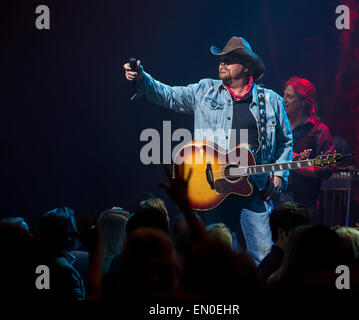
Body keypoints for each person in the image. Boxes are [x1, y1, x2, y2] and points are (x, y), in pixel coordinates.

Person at [124, 36, 293, 265]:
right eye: (221, 59)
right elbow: (169, 95)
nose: (222, 63)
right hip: (215, 188)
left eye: (229, 60)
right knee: (217, 259)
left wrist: (278, 174)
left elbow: (285, 142)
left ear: (247, 67)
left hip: (256, 189)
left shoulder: (271, 101)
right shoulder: (205, 90)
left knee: (262, 257)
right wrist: (141, 78)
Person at [281, 77, 334, 220]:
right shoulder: (279, 128)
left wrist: (296, 165)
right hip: (275, 200)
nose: (283, 99)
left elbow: (326, 168)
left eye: (289, 96)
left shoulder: (319, 131)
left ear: (304, 101)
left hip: (302, 206)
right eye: (284, 95)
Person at [257, 202, 310, 285]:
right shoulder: (274, 268)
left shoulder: (289, 261)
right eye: (300, 231)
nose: (306, 237)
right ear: (282, 233)